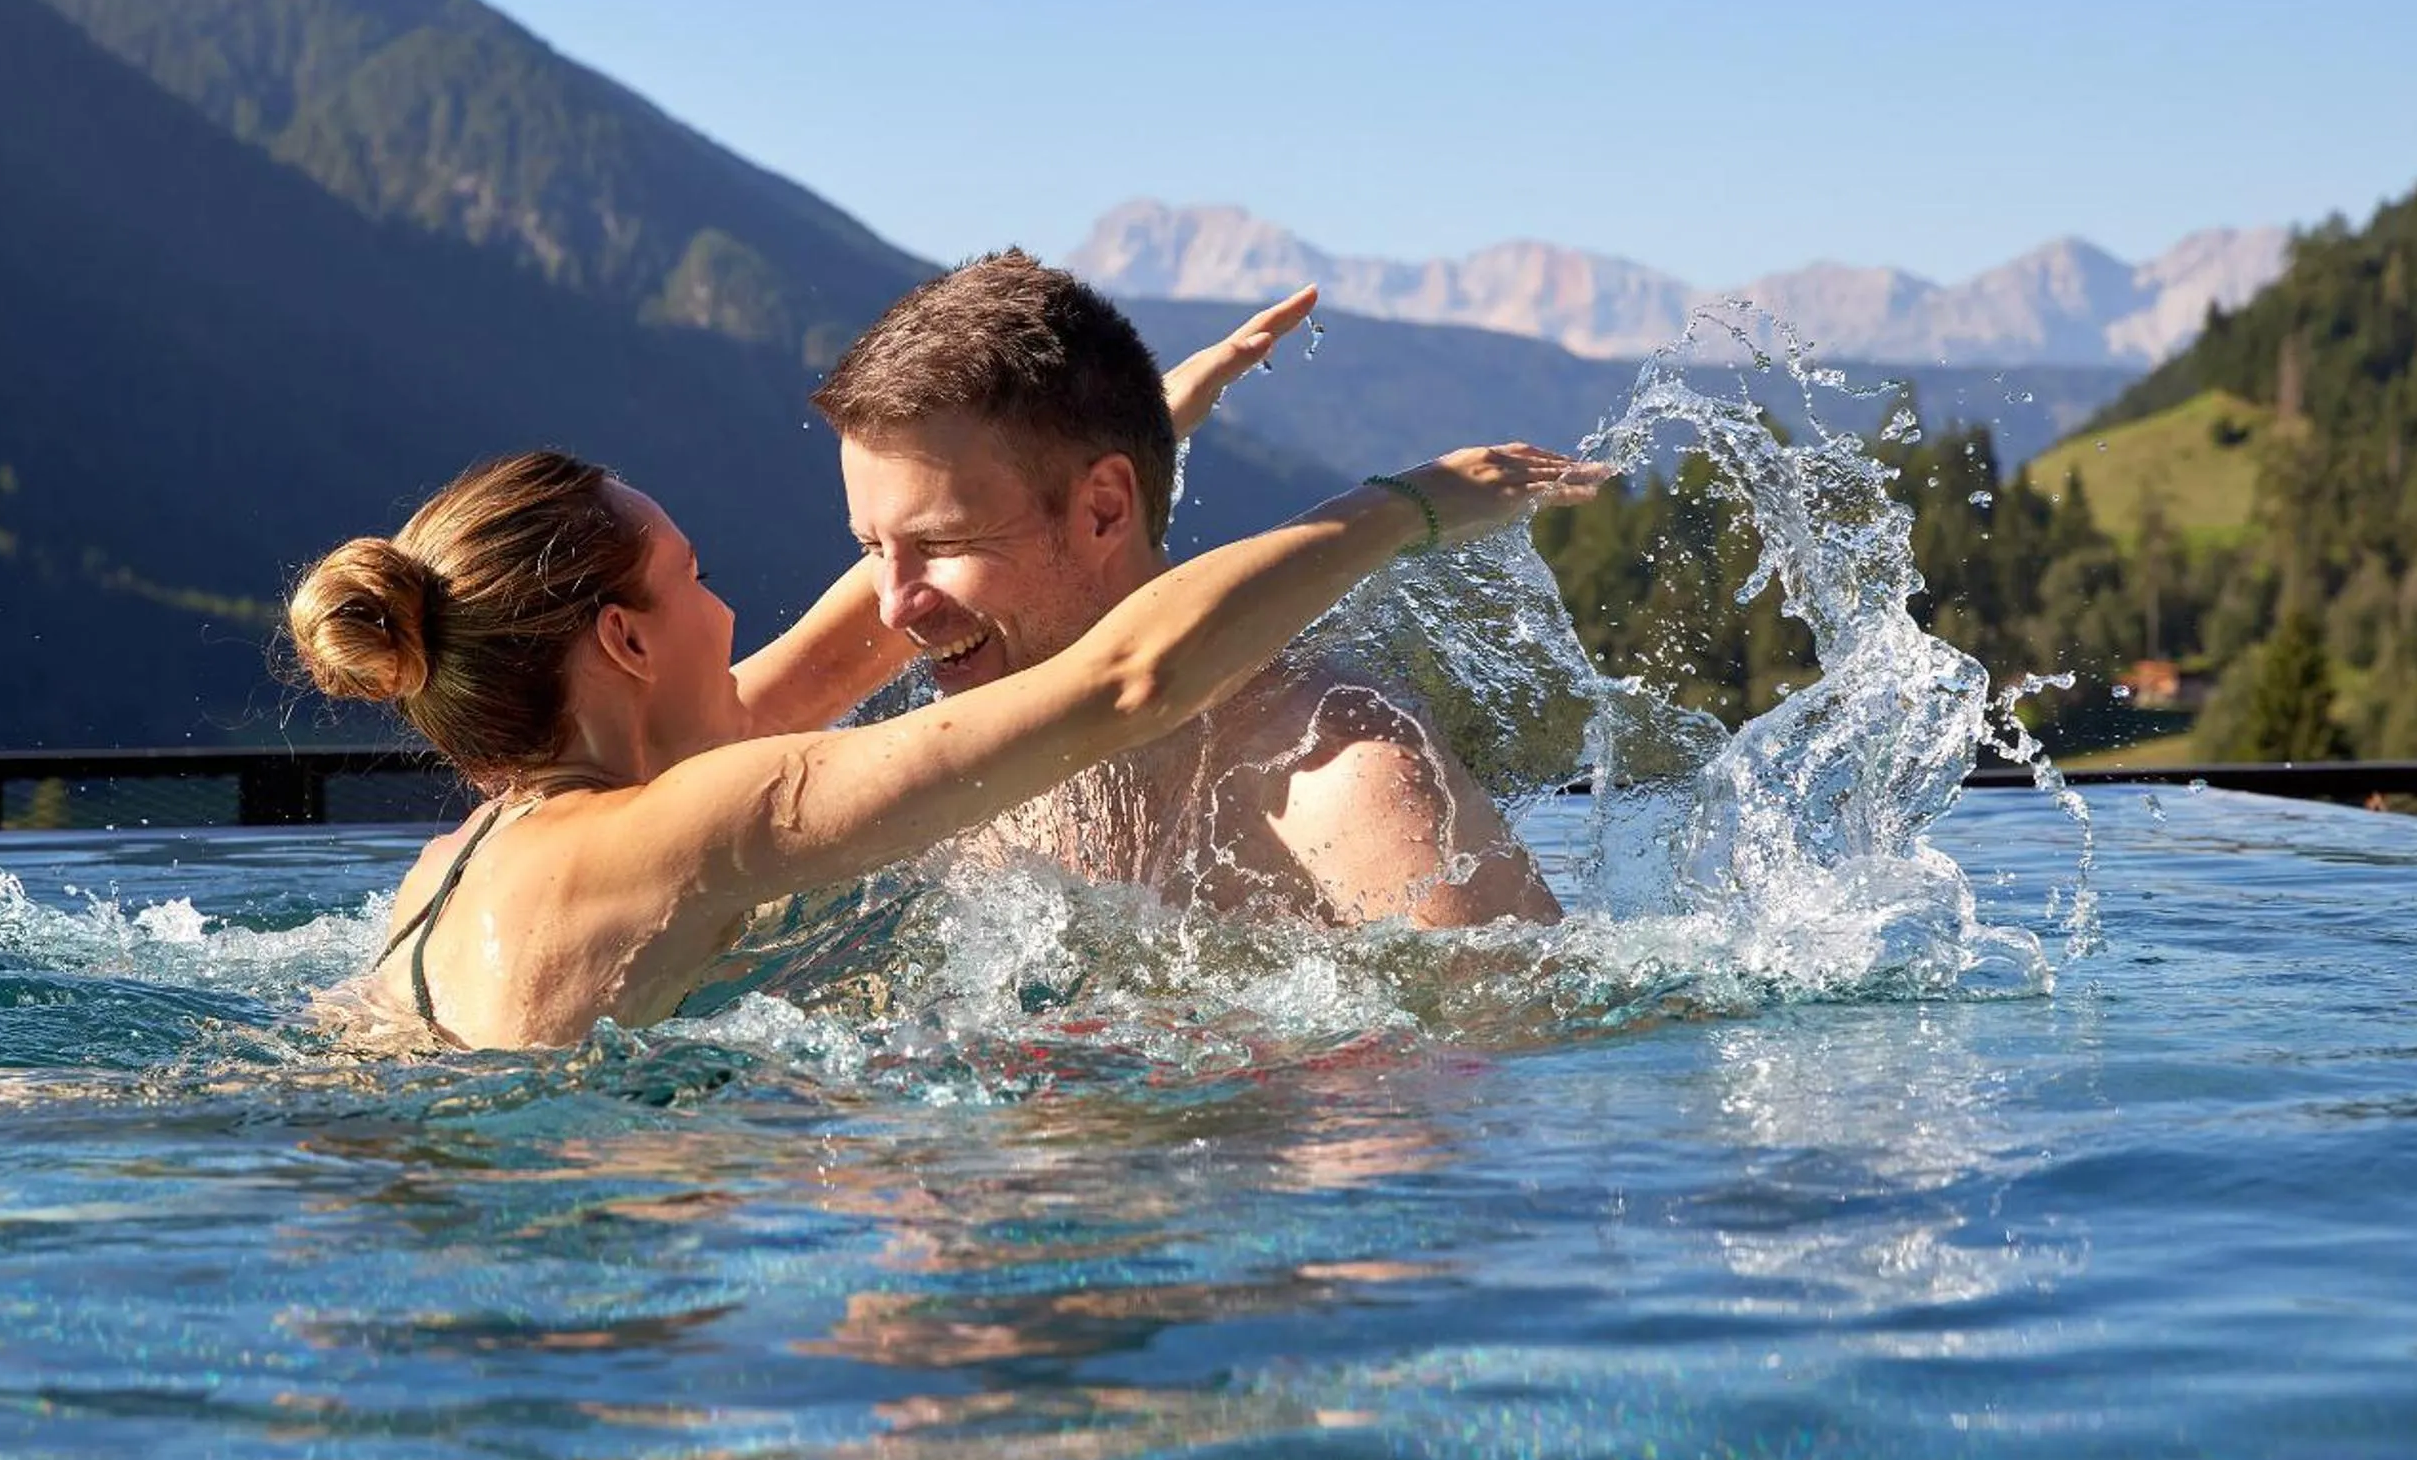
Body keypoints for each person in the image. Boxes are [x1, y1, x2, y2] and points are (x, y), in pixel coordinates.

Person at [286, 426, 1606, 1050]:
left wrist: (1084, 477)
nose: (728, 607)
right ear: (625, 644)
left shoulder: (469, 857)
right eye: (690, 579)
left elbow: (821, 665)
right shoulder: (690, 828)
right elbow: (1130, 680)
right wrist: (1401, 508)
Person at [815, 252, 1565, 928]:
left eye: (941, 545)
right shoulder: (932, 780)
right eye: (870, 549)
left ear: (1104, 509)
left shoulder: (1335, 773)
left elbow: (1509, 1054)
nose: (890, 605)